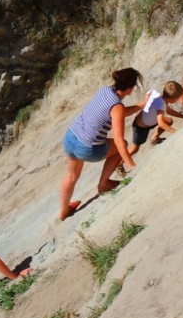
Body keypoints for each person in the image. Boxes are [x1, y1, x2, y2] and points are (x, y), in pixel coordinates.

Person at [58, 68, 146, 220]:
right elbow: (118, 139)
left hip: (70, 137)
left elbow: (118, 112)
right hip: (86, 148)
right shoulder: (117, 107)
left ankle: (63, 211)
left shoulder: (105, 91)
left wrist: (142, 104)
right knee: (122, 145)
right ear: (130, 89)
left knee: (71, 175)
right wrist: (131, 164)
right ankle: (103, 184)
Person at [126, 80, 183, 159]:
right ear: (173, 100)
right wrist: (175, 132)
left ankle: (154, 138)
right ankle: (120, 164)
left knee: (169, 121)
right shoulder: (161, 104)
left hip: (148, 121)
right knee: (135, 149)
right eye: (178, 99)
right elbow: (161, 123)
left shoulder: (161, 99)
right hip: (140, 128)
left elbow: (169, 111)